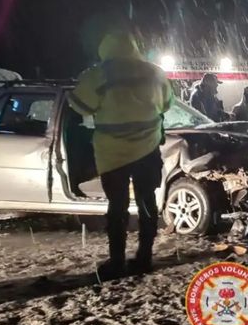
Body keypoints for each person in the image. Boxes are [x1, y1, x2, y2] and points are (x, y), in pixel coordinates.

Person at [67, 31, 173, 279]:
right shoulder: (154, 73)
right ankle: (144, 257)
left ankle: (116, 262)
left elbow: (79, 105)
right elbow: (166, 104)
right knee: (148, 204)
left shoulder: (99, 74)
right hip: (147, 151)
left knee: (117, 207)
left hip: (113, 155)